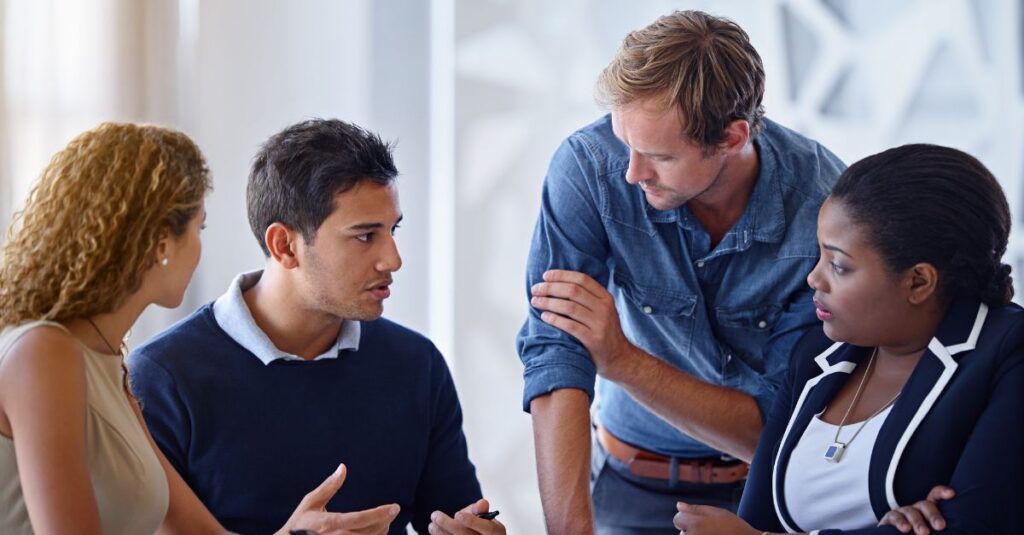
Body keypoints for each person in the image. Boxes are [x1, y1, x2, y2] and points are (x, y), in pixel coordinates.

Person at [519, 10, 845, 534]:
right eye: (626, 143)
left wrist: (621, 360)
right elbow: (556, 351)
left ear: (733, 137)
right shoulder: (590, 167)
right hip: (626, 482)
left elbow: (779, 431)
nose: (632, 172)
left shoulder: (824, 213)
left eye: (659, 156)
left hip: (768, 491)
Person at [0, 123, 393, 534]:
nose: (200, 248)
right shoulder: (45, 354)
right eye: (198, 228)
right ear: (161, 243)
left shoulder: (109, 361)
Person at [128, 118, 499, 535]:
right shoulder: (161, 378)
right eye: (365, 236)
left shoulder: (417, 365)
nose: (393, 259)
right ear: (284, 246)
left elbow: (458, 516)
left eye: (392, 230)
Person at [671, 144, 1024, 535]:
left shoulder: (1008, 351)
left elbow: (974, 526)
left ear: (918, 281)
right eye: (820, 255)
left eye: (838, 265)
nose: (814, 278)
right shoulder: (816, 355)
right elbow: (756, 519)